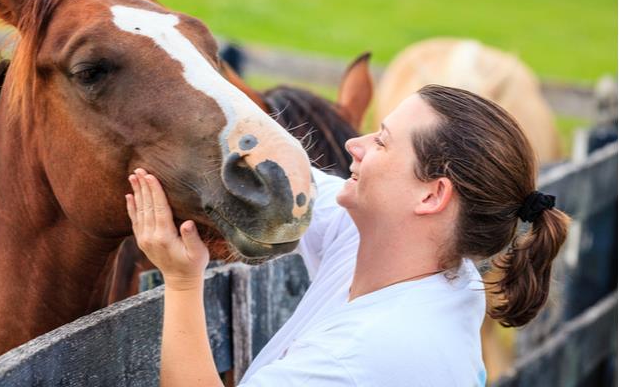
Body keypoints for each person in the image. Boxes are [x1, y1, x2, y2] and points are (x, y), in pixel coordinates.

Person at [125, 84, 569, 386]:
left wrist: (183, 282)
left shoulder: (367, 354)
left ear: (432, 196)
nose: (355, 144)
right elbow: (288, 183)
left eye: (382, 142)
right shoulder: (442, 271)